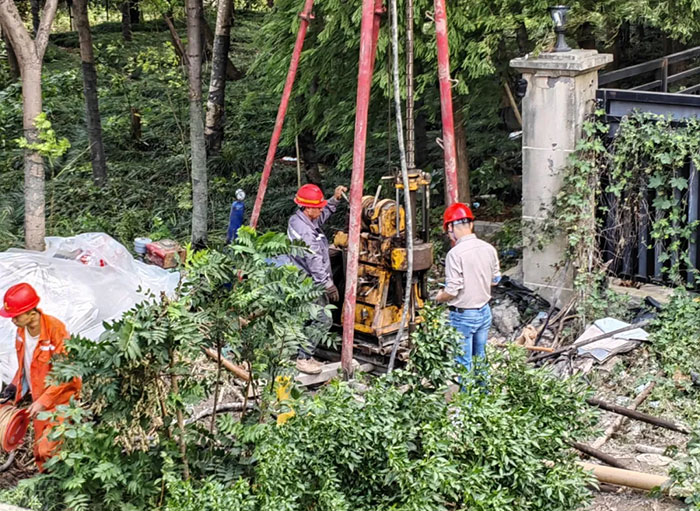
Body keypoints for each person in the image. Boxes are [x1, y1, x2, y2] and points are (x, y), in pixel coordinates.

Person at [0, 283, 81, 471]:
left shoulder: (55, 330)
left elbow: (65, 373)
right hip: (39, 398)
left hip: (60, 400)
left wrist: (43, 401)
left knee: (48, 449)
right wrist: (12, 389)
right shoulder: (21, 332)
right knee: (39, 451)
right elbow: (26, 366)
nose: (13, 320)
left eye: (16, 316)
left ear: (31, 313)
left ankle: (62, 481)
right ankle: (47, 482)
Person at [287, 183, 347, 374]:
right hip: (309, 282)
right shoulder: (305, 231)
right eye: (318, 207)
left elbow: (320, 217)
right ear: (308, 208)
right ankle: (303, 358)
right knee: (323, 319)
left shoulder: (301, 220)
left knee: (308, 318)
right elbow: (313, 260)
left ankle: (302, 353)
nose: (321, 209)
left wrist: (334, 200)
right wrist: (328, 285)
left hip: (304, 279)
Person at [435, 203, 501, 374]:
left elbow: (452, 291)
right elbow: (495, 280)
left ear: (450, 228)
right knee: (480, 359)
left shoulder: (455, 254)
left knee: (463, 364)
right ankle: (484, 390)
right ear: (470, 224)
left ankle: (467, 393)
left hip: (463, 316)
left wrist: (439, 297)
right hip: (484, 311)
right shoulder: (489, 248)